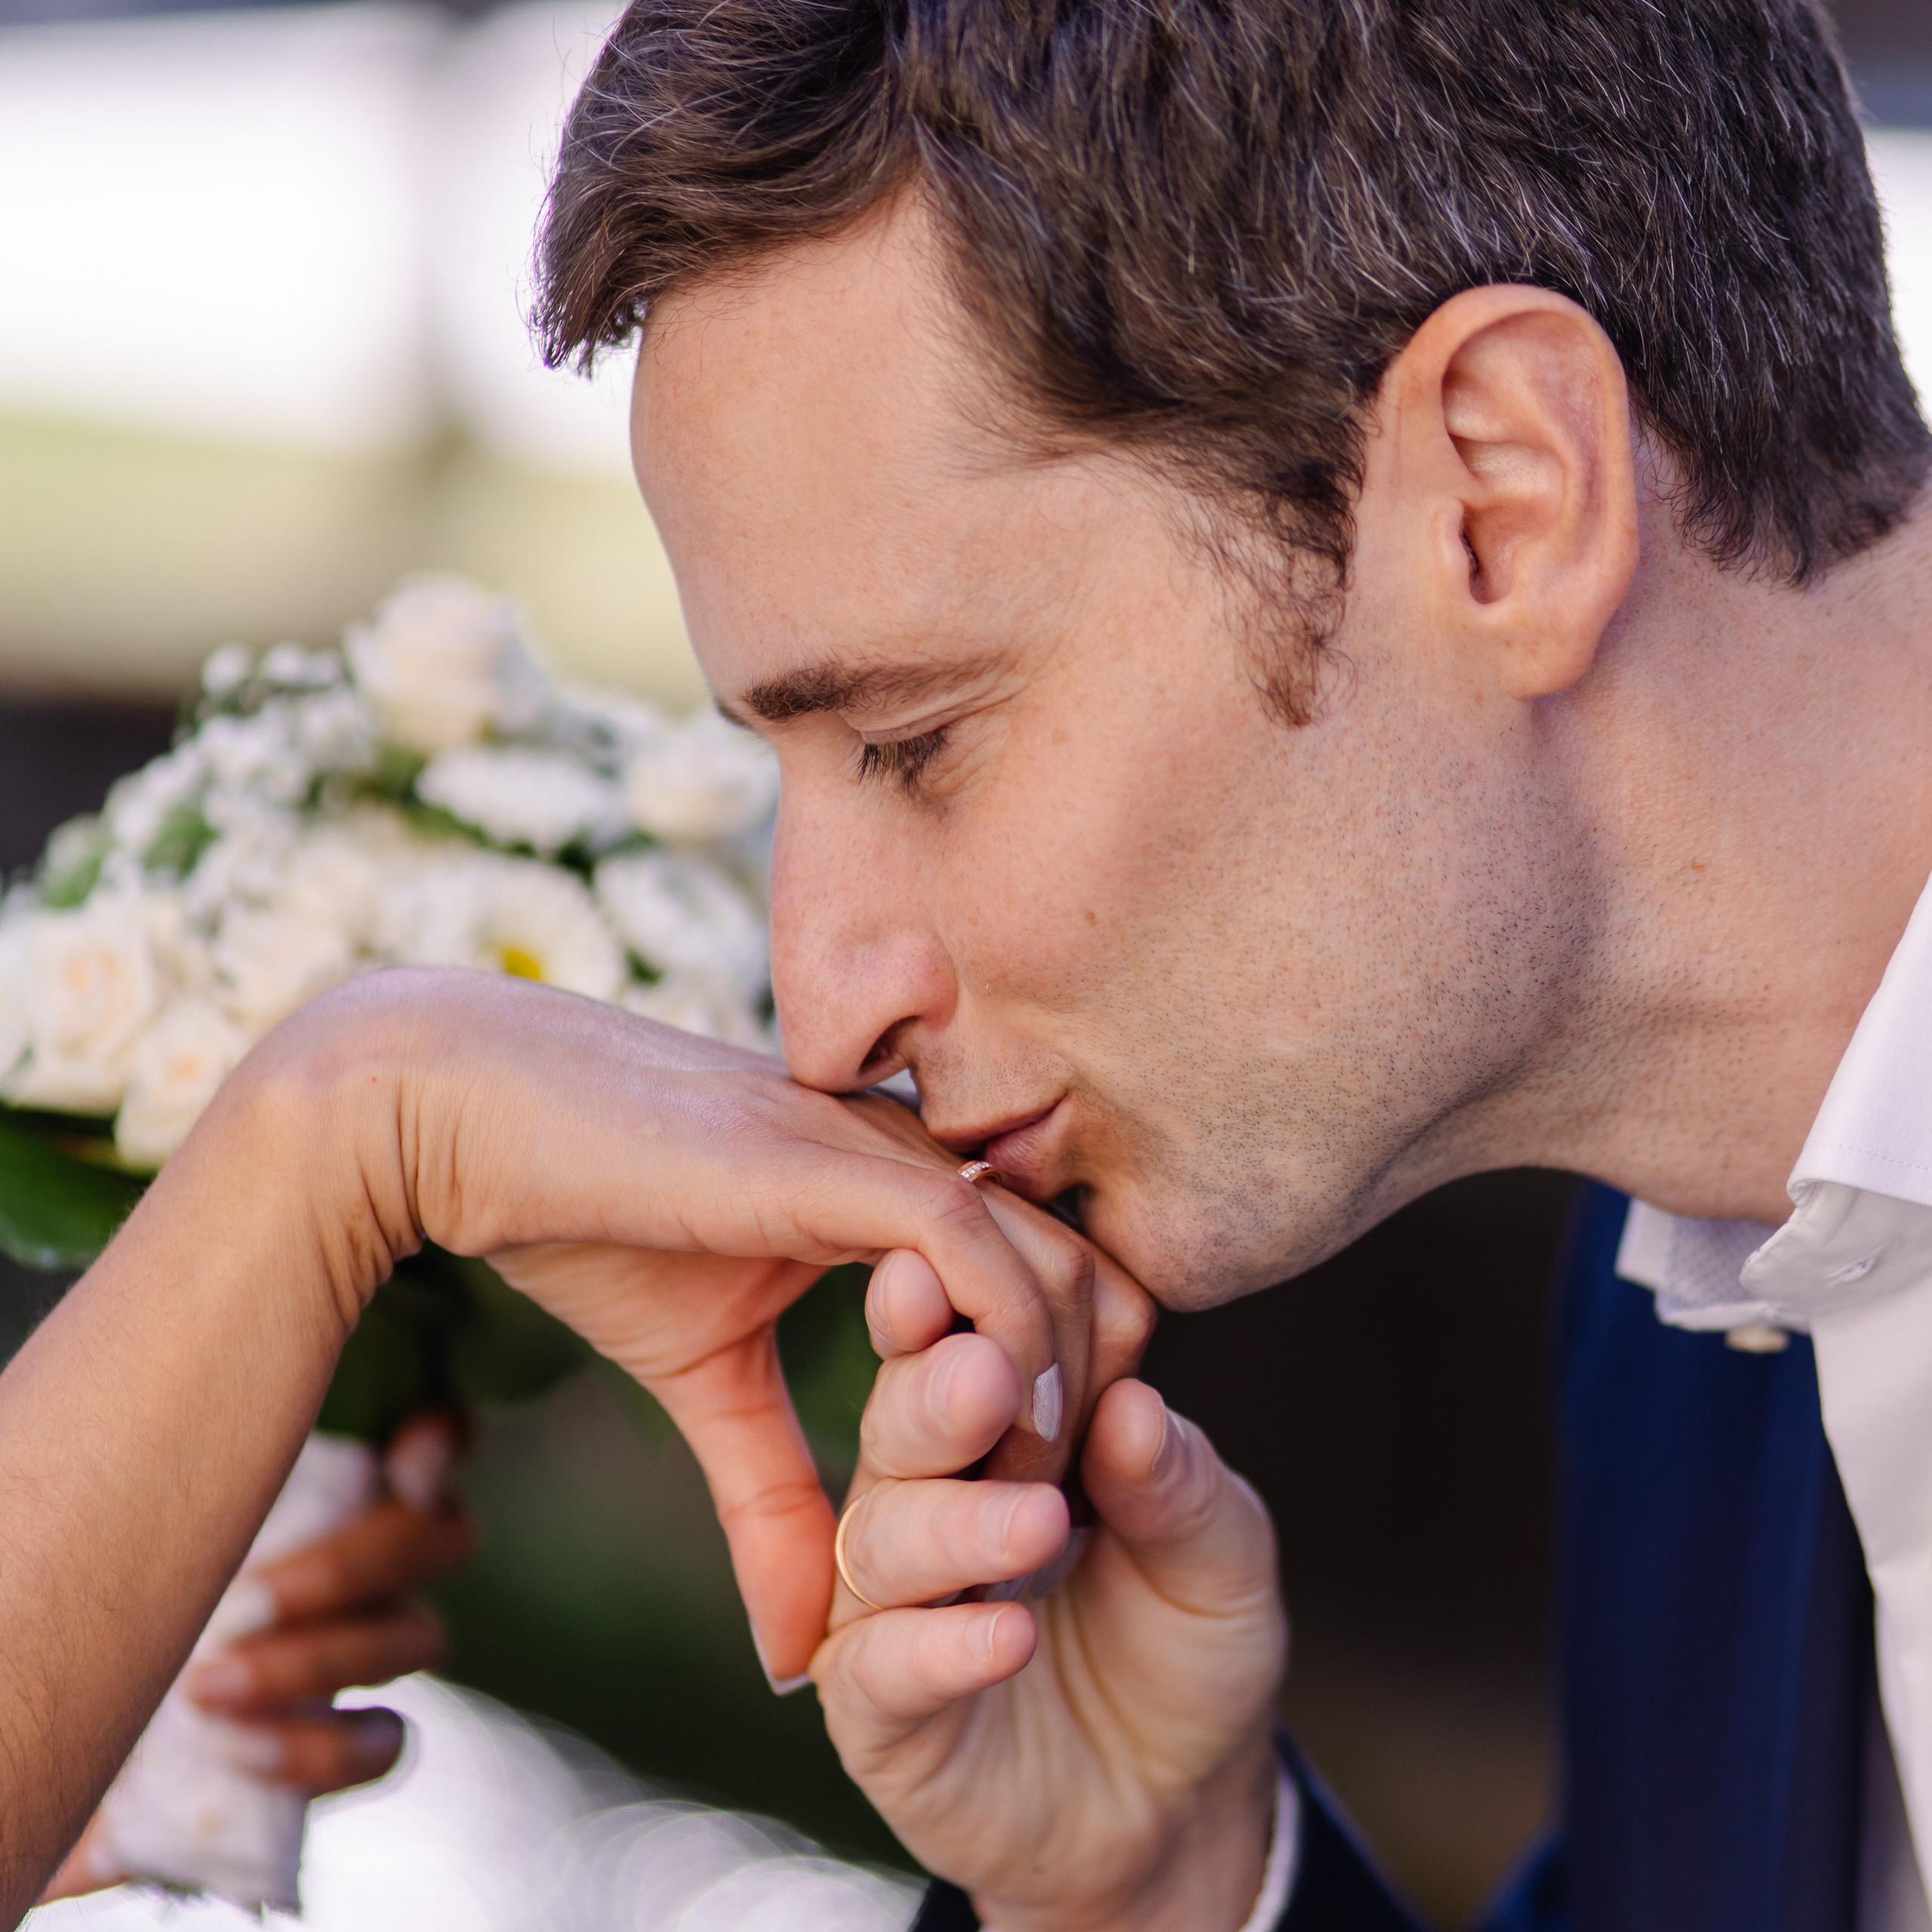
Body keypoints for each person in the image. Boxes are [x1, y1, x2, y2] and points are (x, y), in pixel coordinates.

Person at [4, 1, 1928, 1929]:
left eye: (915, 741)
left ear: (1502, 500)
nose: (826, 1006)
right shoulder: (1682, 1300)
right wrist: (1163, 1891)